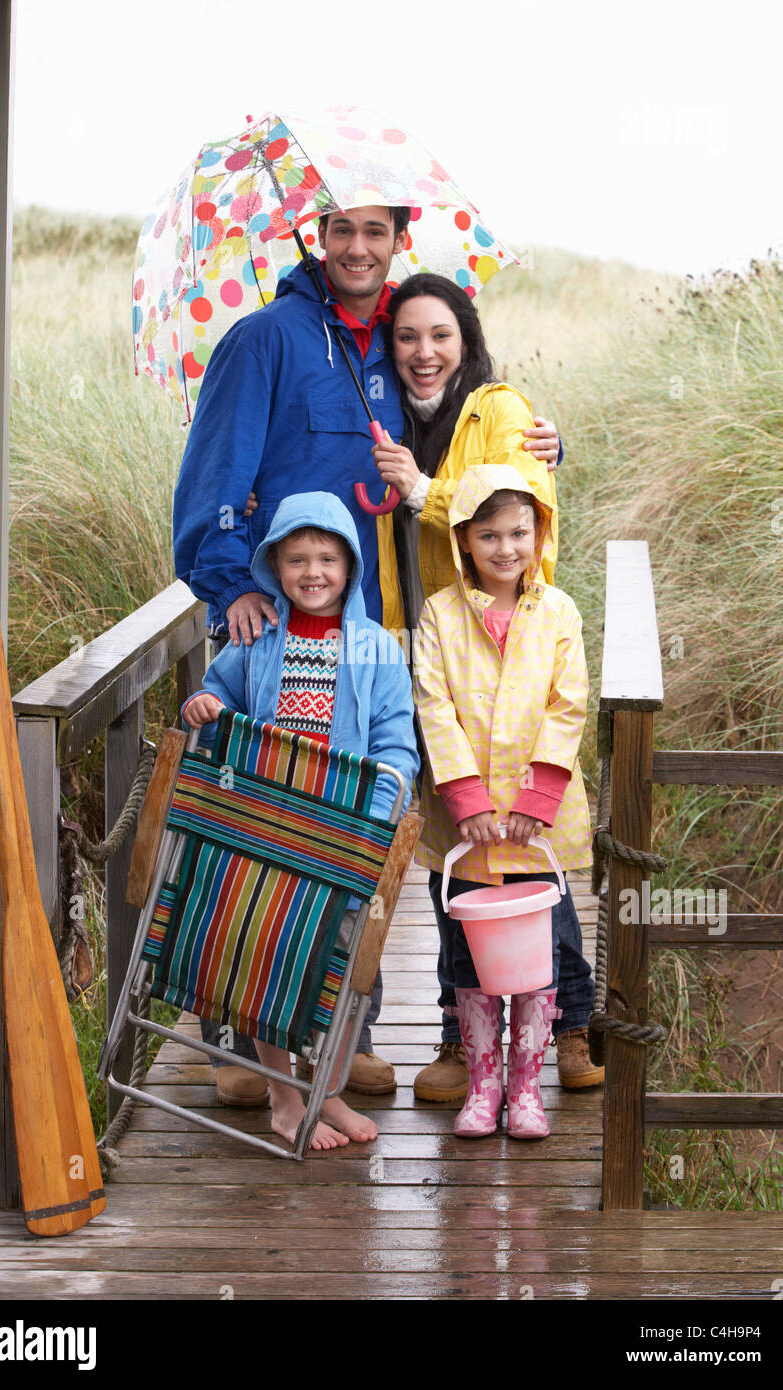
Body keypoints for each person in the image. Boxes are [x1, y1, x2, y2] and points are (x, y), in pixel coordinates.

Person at [173, 208, 559, 1101]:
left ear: (398, 239)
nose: (357, 248)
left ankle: (348, 1034)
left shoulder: (388, 343)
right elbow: (212, 481)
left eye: (375, 232)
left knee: (352, 840)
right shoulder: (264, 339)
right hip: (269, 633)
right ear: (315, 235)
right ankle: (242, 1040)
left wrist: (544, 447)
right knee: (256, 838)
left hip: (369, 640)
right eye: (341, 230)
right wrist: (232, 588)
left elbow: (455, 414)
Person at [366, 273, 601, 1100]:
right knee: (458, 877)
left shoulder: (495, 410)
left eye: (440, 335)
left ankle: (569, 1028)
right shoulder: (390, 411)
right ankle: (459, 1041)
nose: (423, 352)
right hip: (444, 655)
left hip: (511, 658)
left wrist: (423, 493)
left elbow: (518, 500)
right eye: (406, 337)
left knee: (544, 882)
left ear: (466, 338)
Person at [182, 491, 418, 1149]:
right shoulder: (257, 638)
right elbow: (216, 691)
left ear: (349, 565)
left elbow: (396, 743)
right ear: (273, 567)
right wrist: (202, 702)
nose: (312, 572)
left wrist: (375, 818)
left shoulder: (375, 648)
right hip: (262, 828)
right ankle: (286, 1097)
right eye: (295, 559)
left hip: (341, 834)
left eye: (326, 558)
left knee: (344, 967)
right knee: (267, 962)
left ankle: (329, 1091)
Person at [412, 465, 591, 1138]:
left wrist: (534, 796)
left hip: (536, 826)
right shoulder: (439, 615)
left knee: (535, 955)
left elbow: (567, 705)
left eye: (520, 533)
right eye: (489, 536)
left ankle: (527, 1090)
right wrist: (468, 799)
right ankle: (482, 1089)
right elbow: (435, 706)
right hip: (465, 831)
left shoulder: (559, 612)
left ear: (540, 533)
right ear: (463, 540)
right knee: (467, 954)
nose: (506, 549)